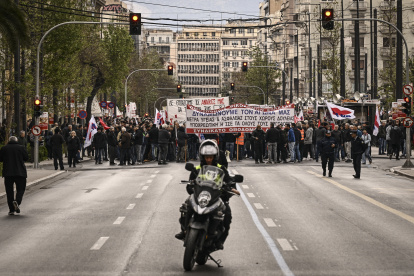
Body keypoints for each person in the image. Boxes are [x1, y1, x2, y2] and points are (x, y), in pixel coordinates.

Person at [175, 139, 238, 250]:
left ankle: (219, 240)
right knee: (185, 206)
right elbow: (190, 185)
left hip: (216, 198)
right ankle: (184, 230)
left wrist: (231, 188)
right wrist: (190, 186)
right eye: (206, 157)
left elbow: (230, 182)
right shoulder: (197, 169)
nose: (208, 159)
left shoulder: (221, 169)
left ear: (215, 156)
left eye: (211, 157)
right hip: (200, 197)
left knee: (227, 215)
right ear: (202, 156)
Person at [0, 136, 29, 215]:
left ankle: (11, 209)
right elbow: (26, 157)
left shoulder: (4, 148)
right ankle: (17, 201)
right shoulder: (21, 148)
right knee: (21, 189)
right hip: (20, 172)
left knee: (9, 192)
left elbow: (0, 159)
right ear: (17, 141)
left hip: (8, 173)